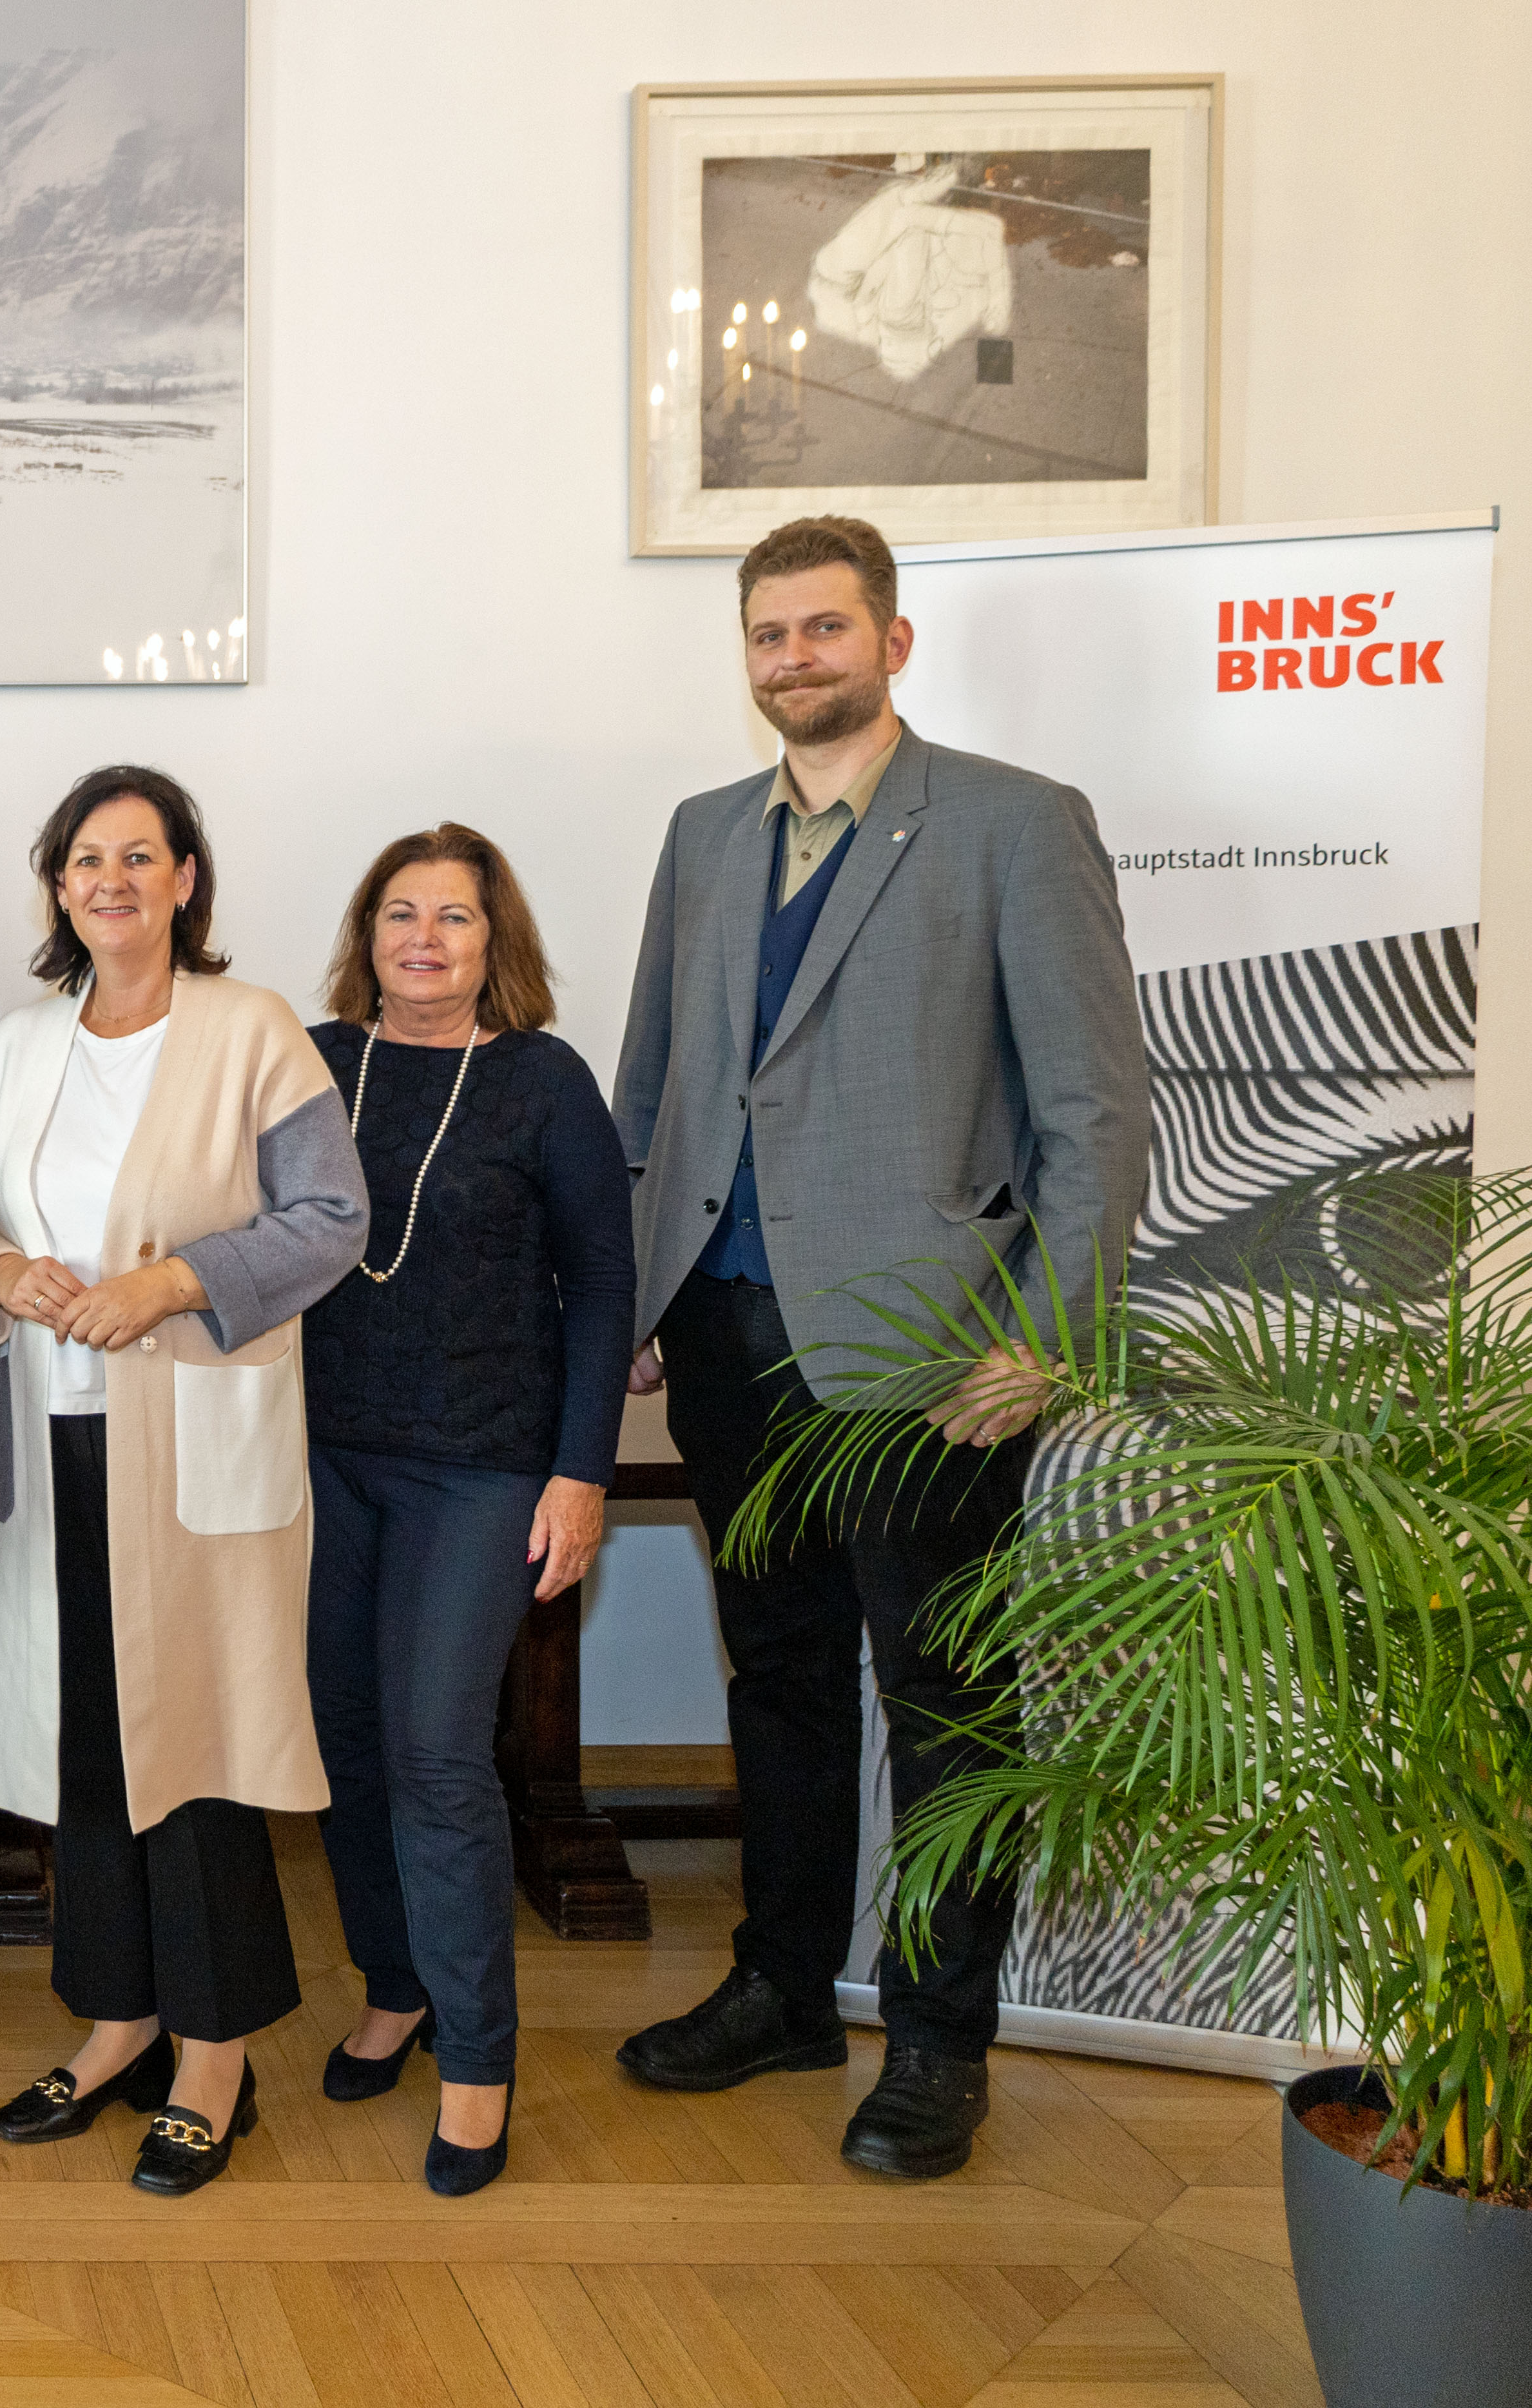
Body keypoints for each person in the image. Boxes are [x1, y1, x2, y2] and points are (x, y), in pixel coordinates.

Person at [610, 515, 1148, 2180]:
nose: (793, 660)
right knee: (769, 1676)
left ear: (890, 643)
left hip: (929, 1359)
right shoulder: (703, 838)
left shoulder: (1007, 825)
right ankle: (779, 1986)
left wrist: (1043, 1343)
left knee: (940, 1701)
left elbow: (1091, 1110)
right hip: (722, 1334)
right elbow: (651, 1087)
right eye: (767, 635)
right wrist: (635, 1301)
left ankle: (932, 2039)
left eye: (822, 630)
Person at [0, 766, 367, 2197]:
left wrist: (173, 1280)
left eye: (139, 854)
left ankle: (214, 2057)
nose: (108, 878)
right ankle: (117, 2020)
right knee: (87, 1750)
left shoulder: (254, 1034)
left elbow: (327, 1219)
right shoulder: (14, 1046)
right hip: (53, 1441)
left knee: (195, 1750)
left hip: (189, 1440)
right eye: (82, 857)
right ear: (56, 885)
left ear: (186, 876)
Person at [297, 825, 635, 2199]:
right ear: (364, 933)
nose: (423, 938)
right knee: (344, 1742)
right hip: (322, 1456)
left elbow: (602, 1285)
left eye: (453, 916)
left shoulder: (543, 1082)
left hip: (485, 1461)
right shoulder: (313, 1066)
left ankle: (479, 2060)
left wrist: (582, 1470)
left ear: (496, 940)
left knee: (439, 1750)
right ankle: (394, 1984)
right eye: (398, 913)